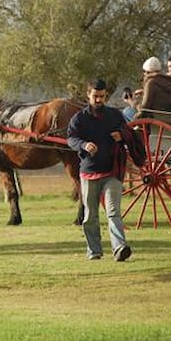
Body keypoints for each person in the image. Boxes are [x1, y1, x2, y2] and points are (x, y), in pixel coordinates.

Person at [67, 78, 132, 261]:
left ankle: (119, 249)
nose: (98, 100)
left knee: (113, 212)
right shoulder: (79, 119)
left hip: (112, 171)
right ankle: (94, 251)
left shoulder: (115, 115)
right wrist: (83, 144)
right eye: (95, 96)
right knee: (90, 216)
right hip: (88, 171)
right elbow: (71, 139)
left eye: (102, 96)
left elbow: (129, 132)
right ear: (88, 95)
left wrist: (121, 135)